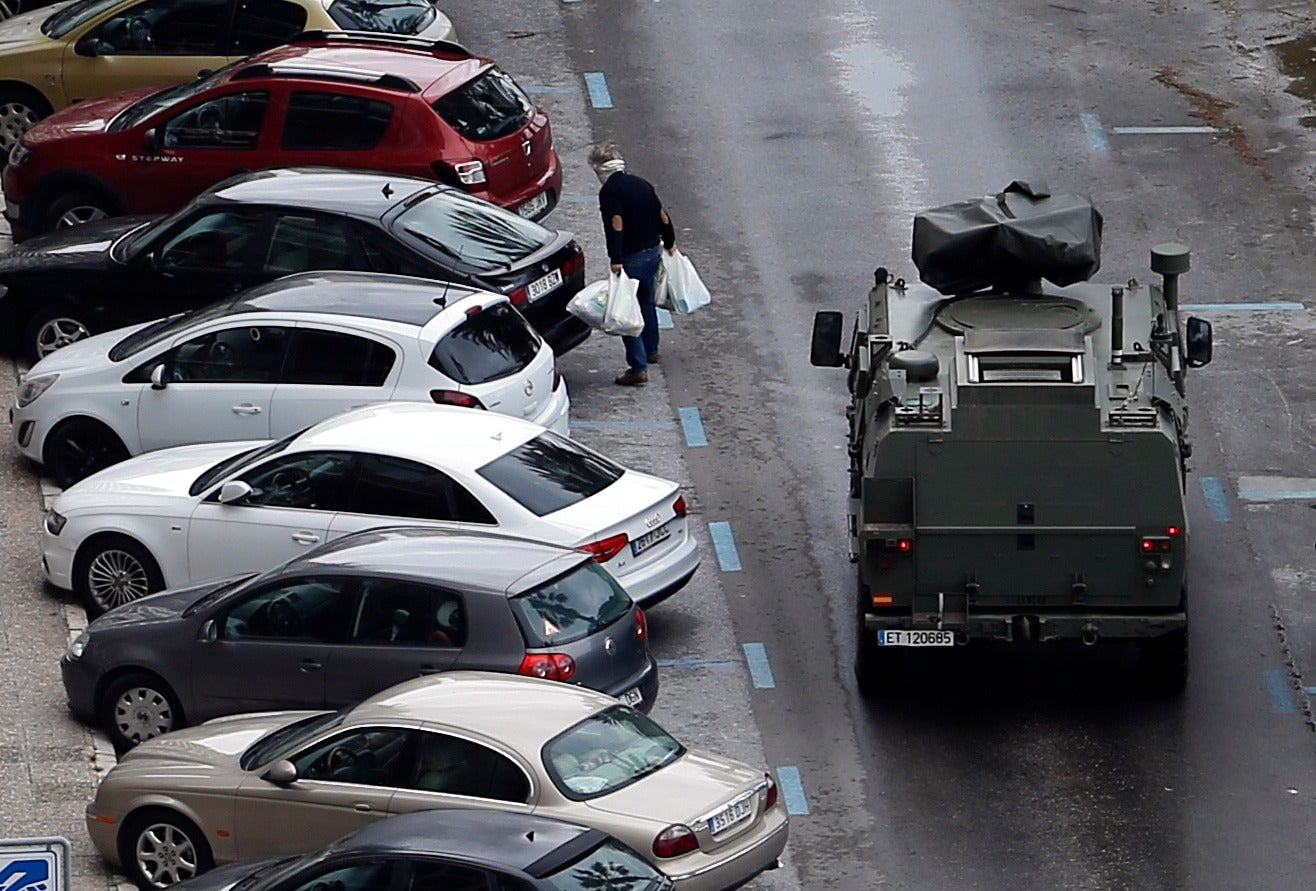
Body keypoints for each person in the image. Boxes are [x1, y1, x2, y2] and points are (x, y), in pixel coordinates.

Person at [588, 143, 676, 386]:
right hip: (652, 252)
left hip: (631, 257)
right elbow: (662, 215)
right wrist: (669, 240)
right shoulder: (642, 184)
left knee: (627, 312)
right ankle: (652, 349)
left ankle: (638, 367)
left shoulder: (610, 192)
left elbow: (615, 225)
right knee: (646, 302)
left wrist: (615, 258)